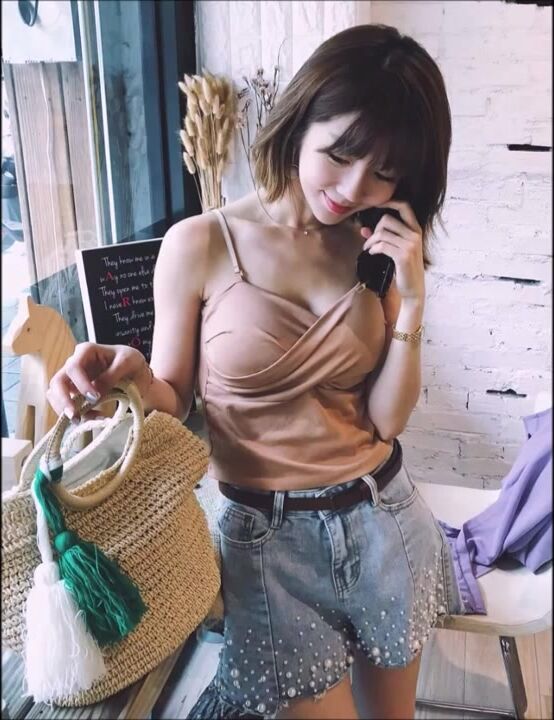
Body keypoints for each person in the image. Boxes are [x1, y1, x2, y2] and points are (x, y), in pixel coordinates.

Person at [47, 24, 467, 720]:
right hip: (266, 545)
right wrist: (131, 376)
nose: (354, 187)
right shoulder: (200, 244)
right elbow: (175, 397)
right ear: (300, 121)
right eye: (340, 154)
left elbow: (386, 420)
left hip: (384, 521)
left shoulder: (375, 247)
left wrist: (413, 301)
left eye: (386, 172)